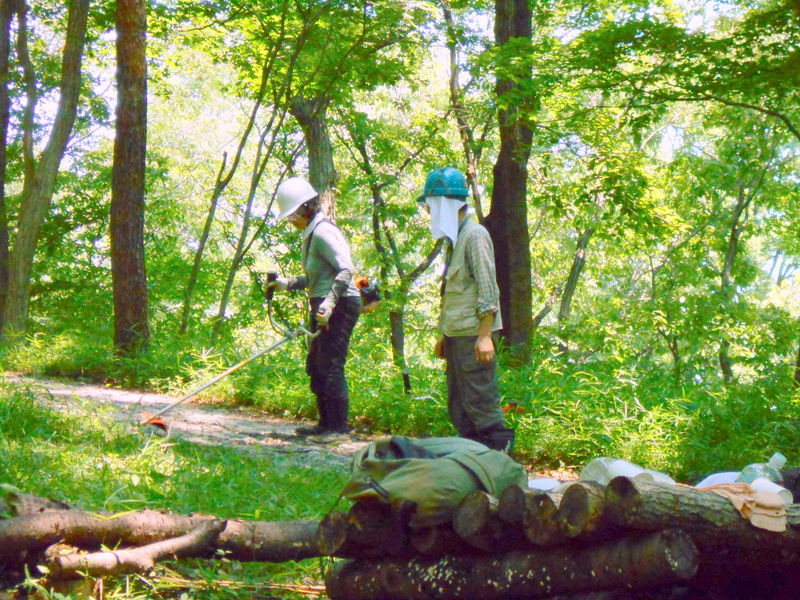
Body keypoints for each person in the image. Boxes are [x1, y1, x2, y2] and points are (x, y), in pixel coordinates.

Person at [418, 167, 515, 453]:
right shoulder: (454, 239)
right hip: (457, 335)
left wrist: (484, 336)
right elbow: (453, 292)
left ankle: (501, 463)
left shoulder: (474, 236)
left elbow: (488, 289)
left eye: (431, 205)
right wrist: (443, 334)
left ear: (446, 204)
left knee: (481, 404)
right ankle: (473, 462)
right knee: (460, 406)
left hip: (474, 336)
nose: (429, 212)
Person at [267, 177, 361, 441]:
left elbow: (346, 270)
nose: (290, 220)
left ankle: (338, 429)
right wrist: (285, 284)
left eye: (292, 214)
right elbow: (315, 278)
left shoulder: (323, 232)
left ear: (305, 208)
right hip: (323, 302)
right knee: (317, 365)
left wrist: (329, 304)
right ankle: (325, 424)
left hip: (340, 304)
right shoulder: (310, 234)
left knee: (331, 365)